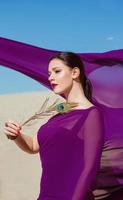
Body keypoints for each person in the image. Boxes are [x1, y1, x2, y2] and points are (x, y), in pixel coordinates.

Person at [4, 52, 105, 200]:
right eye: (49, 73)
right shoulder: (60, 110)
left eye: (57, 71)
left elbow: (90, 168)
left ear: (75, 72)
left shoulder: (91, 114)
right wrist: (16, 135)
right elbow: (33, 146)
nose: (50, 77)